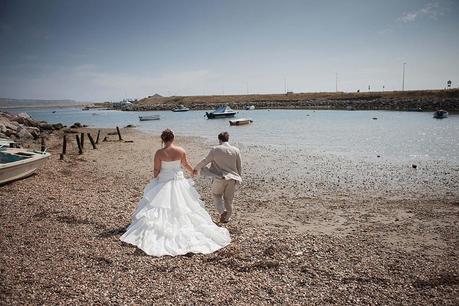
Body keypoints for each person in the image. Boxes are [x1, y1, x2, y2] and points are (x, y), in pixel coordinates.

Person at [120, 129, 230, 256]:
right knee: (185, 205)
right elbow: (186, 164)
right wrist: (193, 172)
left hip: (164, 180)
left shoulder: (159, 152)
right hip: (179, 181)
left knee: (159, 205)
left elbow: (156, 169)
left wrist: (155, 179)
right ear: (173, 138)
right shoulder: (180, 150)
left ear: (163, 139)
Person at [194, 131, 242, 223]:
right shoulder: (236, 150)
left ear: (219, 139)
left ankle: (222, 211)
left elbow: (205, 161)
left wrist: (196, 168)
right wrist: (238, 178)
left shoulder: (215, 149)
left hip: (219, 178)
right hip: (232, 178)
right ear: (228, 139)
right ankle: (227, 218)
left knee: (217, 195)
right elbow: (239, 166)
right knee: (229, 199)